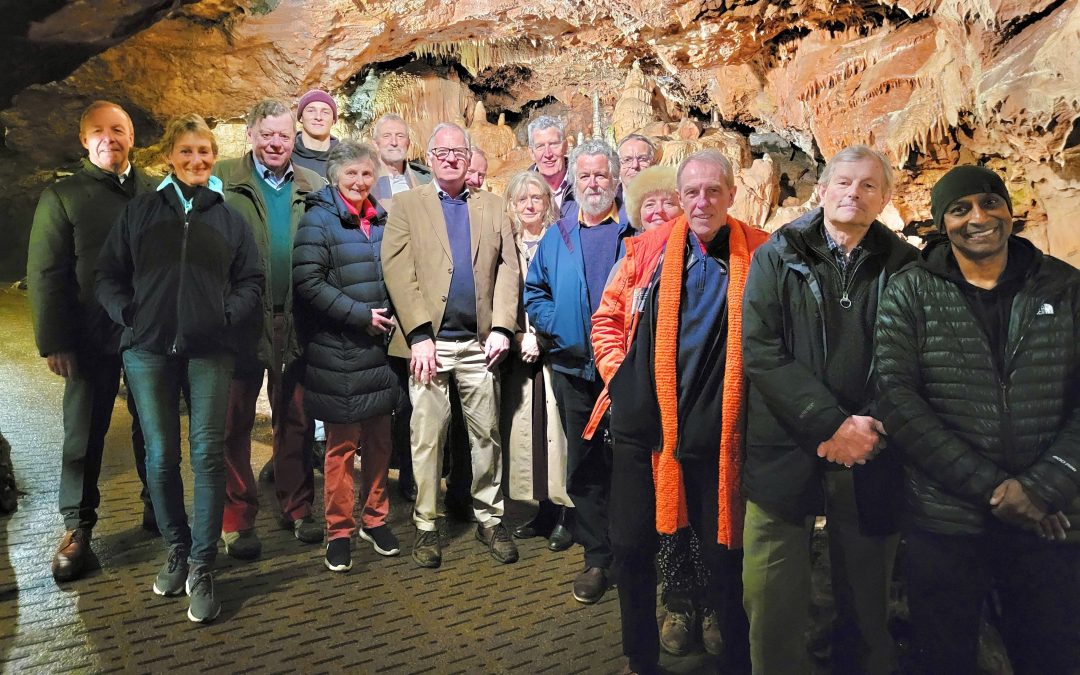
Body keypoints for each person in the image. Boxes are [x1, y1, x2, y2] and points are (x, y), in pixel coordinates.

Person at [875, 165, 1080, 674]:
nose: (978, 218)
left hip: (1045, 519)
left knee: (1051, 653)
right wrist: (996, 490)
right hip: (946, 520)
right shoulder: (911, 291)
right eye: (960, 208)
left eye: (990, 203)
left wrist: (1043, 486)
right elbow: (897, 400)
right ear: (942, 223)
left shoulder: (1063, 286)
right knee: (945, 657)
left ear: (1010, 211)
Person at [740, 144, 916, 674]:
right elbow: (761, 349)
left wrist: (868, 423)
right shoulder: (779, 253)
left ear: (884, 197)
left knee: (867, 596)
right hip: (787, 442)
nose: (853, 194)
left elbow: (912, 355)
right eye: (843, 182)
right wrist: (828, 423)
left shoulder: (904, 263)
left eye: (868, 186)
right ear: (822, 188)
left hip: (870, 445)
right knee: (771, 594)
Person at [592, 150, 765, 673]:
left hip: (718, 433)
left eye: (714, 191)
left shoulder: (761, 252)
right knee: (629, 547)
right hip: (644, 428)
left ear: (732, 194)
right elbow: (606, 320)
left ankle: (735, 660)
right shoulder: (645, 252)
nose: (702, 201)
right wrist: (622, 383)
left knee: (724, 555)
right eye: (692, 192)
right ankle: (641, 659)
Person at [96, 113, 263, 622]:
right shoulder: (142, 213)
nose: (197, 160)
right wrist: (129, 316)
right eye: (186, 151)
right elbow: (108, 275)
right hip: (147, 352)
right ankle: (176, 546)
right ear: (169, 155)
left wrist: (225, 316)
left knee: (208, 456)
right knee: (162, 457)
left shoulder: (229, 218)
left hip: (209, 351)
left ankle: (203, 564)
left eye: (205, 152)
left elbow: (250, 279)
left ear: (214, 157)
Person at [28, 100, 158, 582]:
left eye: (119, 129)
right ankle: (77, 529)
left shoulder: (154, 190)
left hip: (148, 334)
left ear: (132, 137)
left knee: (155, 427)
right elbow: (46, 274)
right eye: (99, 131)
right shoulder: (63, 196)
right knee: (83, 434)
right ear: (84, 140)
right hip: (87, 337)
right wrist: (54, 341)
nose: (111, 137)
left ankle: (158, 507)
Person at [382, 122, 520, 569]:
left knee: (487, 435)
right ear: (429, 155)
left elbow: (508, 269)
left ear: (468, 155)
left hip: (480, 345)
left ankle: (490, 517)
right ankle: (426, 523)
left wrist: (502, 327)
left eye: (457, 151)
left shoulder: (494, 207)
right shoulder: (406, 205)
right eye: (441, 151)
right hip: (430, 346)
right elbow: (398, 271)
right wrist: (418, 335)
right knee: (427, 438)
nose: (449, 158)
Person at [596, 162, 710, 656]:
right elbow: (606, 321)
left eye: (669, 200)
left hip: (697, 411)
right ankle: (675, 608)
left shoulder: (708, 256)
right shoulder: (632, 262)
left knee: (701, 517)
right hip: (641, 414)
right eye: (650, 204)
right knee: (652, 525)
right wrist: (623, 380)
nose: (660, 210)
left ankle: (703, 605)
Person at [525, 139, 634, 604]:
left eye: (601, 175)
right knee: (585, 465)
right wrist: (561, 328)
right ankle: (597, 557)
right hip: (573, 370)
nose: (593, 183)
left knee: (631, 466)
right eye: (585, 176)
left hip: (628, 375)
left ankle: (635, 554)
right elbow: (535, 292)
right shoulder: (558, 236)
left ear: (615, 181)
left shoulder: (636, 234)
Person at [215, 99, 325, 559]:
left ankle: (296, 507)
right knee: (233, 421)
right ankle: (237, 519)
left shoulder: (312, 185)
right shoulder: (223, 180)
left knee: (295, 418)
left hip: (297, 317)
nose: (276, 142)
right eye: (267, 134)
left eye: (283, 134)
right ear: (251, 134)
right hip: (241, 320)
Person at [292, 140, 401, 572]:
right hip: (339, 351)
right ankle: (338, 530)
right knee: (340, 447)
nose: (359, 182)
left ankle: (375, 520)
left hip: (379, 349)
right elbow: (308, 281)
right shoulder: (318, 220)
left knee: (379, 442)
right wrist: (360, 316)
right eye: (351, 174)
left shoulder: (383, 219)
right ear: (335, 176)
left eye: (366, 174)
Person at [499, 171, 573, 552]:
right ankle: (542, 506)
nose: (529, 205)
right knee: (529, 434)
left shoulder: (560, 241)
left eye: (537, 198)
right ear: (511, 204)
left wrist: (542, 338)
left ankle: (568, 511)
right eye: (522, 199)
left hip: (554, 350)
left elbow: (566, 295)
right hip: (518, 354)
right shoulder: (508, 244)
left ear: (548, 203)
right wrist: (515, 337)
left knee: (558, 431)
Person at [370, 113, 433, 212]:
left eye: (400, 136)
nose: (394, 142)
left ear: (408, 143)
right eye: (387, 136)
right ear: (375, 144)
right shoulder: (364, 182)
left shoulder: (426, 180)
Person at [527, 116, 573, 212]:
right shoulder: (521, 190)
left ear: (565, 147)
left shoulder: (585, 184)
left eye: (553, 144)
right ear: (531, 153)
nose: (548, 154)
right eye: (540, 146)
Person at [291, 89, 339, 178]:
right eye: (311, 111)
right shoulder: (285, 153)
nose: (318, 117)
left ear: (333, 120)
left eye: (325, 112)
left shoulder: (345, 157)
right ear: (301, 117)